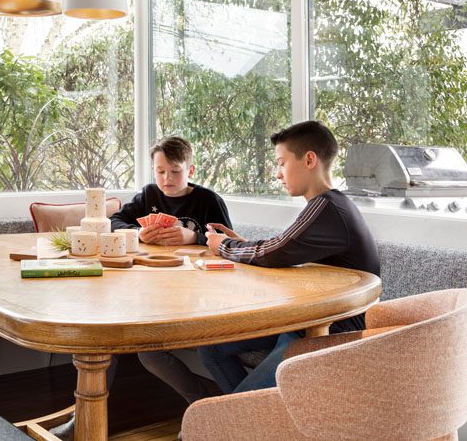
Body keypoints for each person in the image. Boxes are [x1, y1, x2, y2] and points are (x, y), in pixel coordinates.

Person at [51, 137, 231, 439]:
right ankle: (84, 416)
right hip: (147, 289)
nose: (166, 179)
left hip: (195, 296)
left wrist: (194, 238)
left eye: (174, 172)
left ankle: (201, 402)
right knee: (105, 333)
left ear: (191, 169)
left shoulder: (208, 201)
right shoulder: (149, 194)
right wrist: (139, 233)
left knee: (150, 354)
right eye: (160, 172)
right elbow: (115, 221)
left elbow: (229, 243)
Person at [198, 119, 380, 396]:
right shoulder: (327, 206)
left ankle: (244, 416)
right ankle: (261, 421)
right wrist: (239, 245)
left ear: (309, 160)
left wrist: (224, 246)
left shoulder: (327, 208)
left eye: (282, 163)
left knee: (240, 402)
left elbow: (276, 252)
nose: (278, 174)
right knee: (213, 348)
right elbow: (284, 249)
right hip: (306, 321)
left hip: (330, 331)